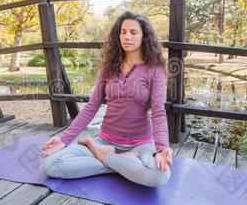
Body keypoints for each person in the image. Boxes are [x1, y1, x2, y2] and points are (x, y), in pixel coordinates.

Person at [39, 11, 173, 187]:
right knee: (50, 165)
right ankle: (120, 163)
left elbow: (158, 112)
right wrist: (64, 139)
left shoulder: (154, 70)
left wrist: (162, 148)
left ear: (144, 36)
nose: (127, 37)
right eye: (123, 32)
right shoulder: (109, 67)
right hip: (105, 140)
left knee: (159, 177)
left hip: (140, 146)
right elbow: (92, 106)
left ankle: (102, 155)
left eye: (133, 32)